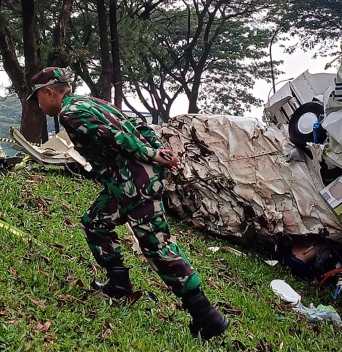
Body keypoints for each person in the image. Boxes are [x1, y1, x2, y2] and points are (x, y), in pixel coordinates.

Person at [27, 67, 229, 340]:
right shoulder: (93, 102)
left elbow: (116, 137)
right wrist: (159, 148)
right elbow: (136, 123)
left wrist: (154, 153)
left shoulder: (70, 113)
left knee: (157, 247)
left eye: (37, 97)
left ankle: (208, 318)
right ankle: (119, 286)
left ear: (49, 92)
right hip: (122, 184)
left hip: (136, 185)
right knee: (95, 223)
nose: (38, 104)